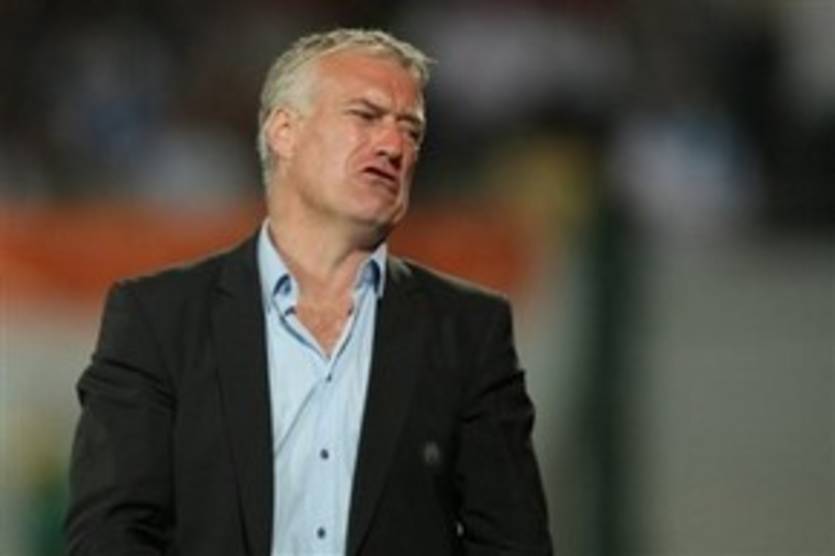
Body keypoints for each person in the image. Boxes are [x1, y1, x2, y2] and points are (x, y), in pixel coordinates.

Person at [64, 28, 553, 556]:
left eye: (411, 131)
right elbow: (109, 537)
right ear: (283, 132)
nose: (394, 146)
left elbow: (513, 543)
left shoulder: (468, 331)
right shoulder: (159, 320)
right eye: (365, 116)